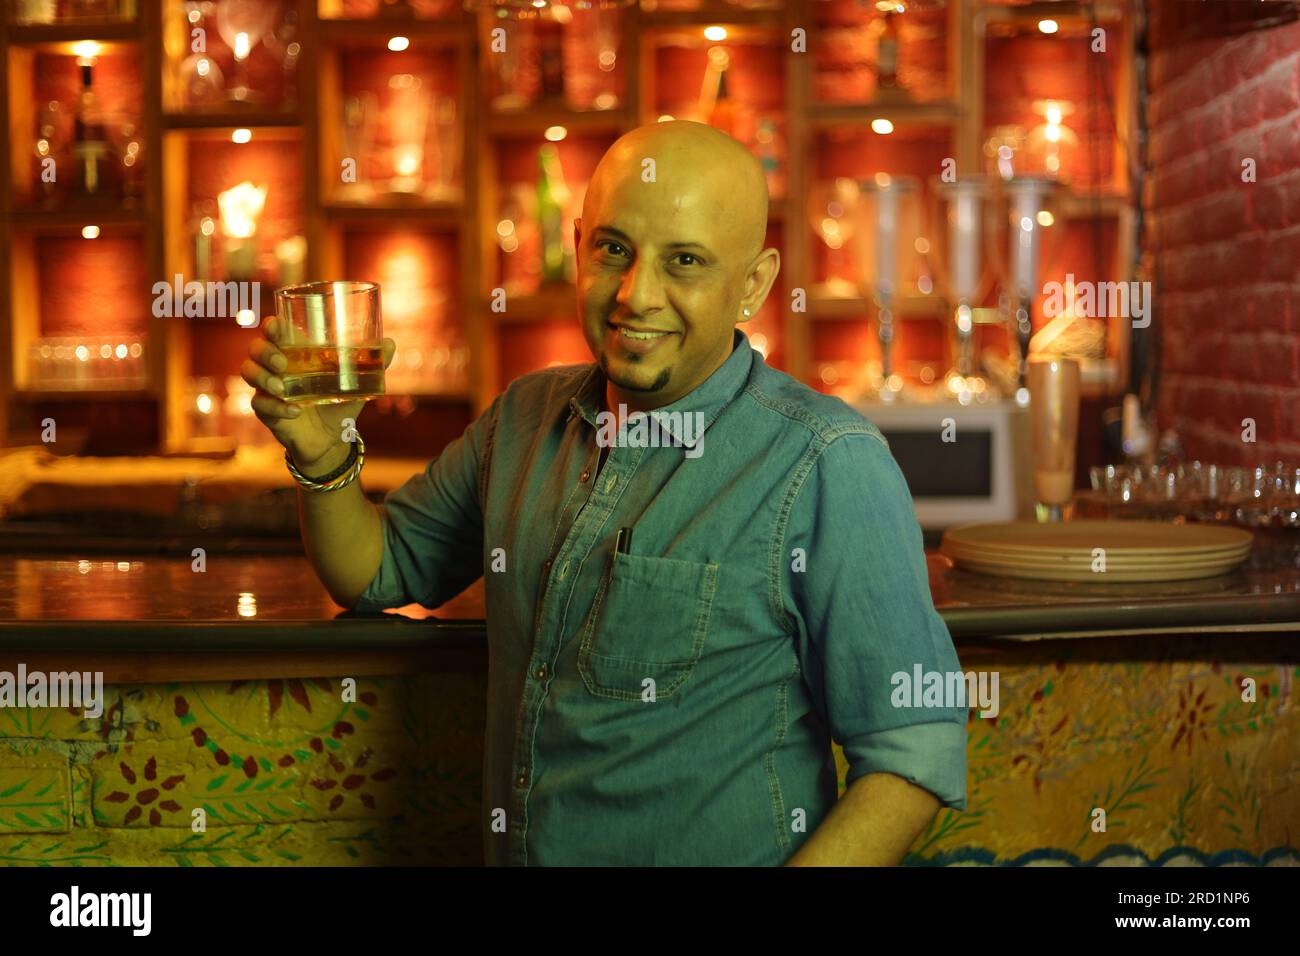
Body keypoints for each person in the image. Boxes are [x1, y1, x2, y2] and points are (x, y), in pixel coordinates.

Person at [241, 120, 967, 866]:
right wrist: (324, 453)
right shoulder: (524, 419)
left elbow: (914, 749)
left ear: (753, 283)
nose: (635, 295)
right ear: (581, 243)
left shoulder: (827, 462)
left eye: (684, 262)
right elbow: (378, 572)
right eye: (614, 250)